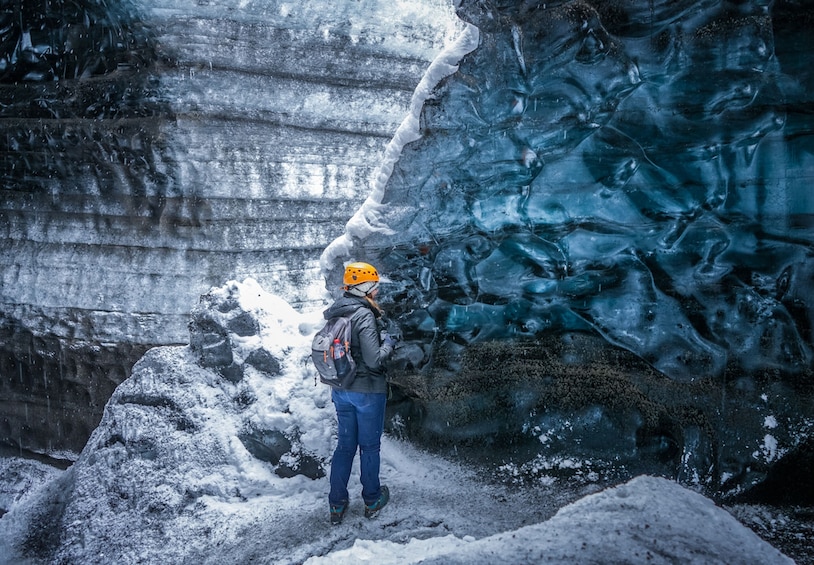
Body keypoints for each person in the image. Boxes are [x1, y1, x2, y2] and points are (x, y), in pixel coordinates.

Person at [325, 261, 398, 525]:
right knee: (369, 447)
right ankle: (372, 498)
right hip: (366, 392)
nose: (377, 290)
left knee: (345, 447)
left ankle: (336, 504)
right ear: (365, 287)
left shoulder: (337, 312)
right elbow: (374, 359)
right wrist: (389, 342)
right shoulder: (364, 315)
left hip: (341, 390)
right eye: (374, 285)